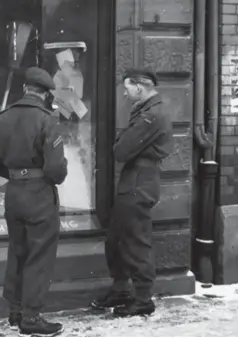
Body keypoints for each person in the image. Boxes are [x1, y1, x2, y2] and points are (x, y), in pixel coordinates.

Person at [0, 67, 68, 336]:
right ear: (45, 94)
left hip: (14, 193)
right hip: (39, 193)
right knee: (39, 254)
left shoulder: (2, 118)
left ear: (25, 89)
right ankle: (31, 317)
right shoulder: (47, 120)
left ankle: (16, 310)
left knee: (18, 251)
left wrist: (15, 174)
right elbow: (56, 170)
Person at [90, 68, 173, 317]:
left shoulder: (151, 116)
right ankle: (120, 291)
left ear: (140, 86)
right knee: (116, 240)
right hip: (134, 182)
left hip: (139, 184)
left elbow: (121, 151)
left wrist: (121, 139)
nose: (125, 93)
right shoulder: (147, 112)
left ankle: (143, 298)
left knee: (136, 242)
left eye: (127, 87)